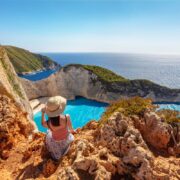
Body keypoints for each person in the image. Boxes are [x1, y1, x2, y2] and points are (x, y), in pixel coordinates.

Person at [41, 96, 75, 161]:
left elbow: (42, 123)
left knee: (48, 132)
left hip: (56, 145)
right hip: (67, 141)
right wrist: (74, 131)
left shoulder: (49, 123)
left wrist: (43, 113)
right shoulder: (66, 117)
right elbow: (71, 129)